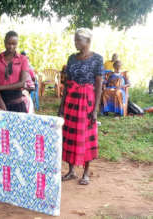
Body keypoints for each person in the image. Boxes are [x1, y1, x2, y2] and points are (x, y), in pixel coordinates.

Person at [58, 28, 103, 185]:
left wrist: (95, 109)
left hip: (87, 102)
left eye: (78, 40)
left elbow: (99, 85)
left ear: (88, 42)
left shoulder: (97, 59)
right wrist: (61, 106)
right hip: (71, 100)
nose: (75, 42)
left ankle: (85, 173)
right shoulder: (71, 58)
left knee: (86, 136)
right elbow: (67, 84)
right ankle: (71, 171)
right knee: (70, 136)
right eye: (75, 39)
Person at [0, 31, 29, 112]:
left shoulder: (23, 59)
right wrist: (0, 101)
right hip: (0, 100)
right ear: (4, 42)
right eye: (9, 43)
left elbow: (22, 83)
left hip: (17, 102)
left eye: (14, 44)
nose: (11, 46)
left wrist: (1, 87)